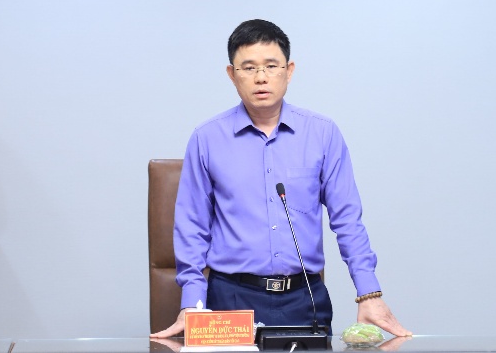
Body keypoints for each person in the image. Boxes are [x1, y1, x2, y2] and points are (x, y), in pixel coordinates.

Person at [150, 19, 410, 339]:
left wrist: (369, 293)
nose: (261, 77)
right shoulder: (207, 138)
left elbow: (348, 219)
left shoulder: (322, 133)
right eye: (248, 68)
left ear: (289, 70)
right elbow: (192, 226)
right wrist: (192, 302)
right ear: (232, 74)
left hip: (305, 297)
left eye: (271, 66)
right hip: (230, 299)